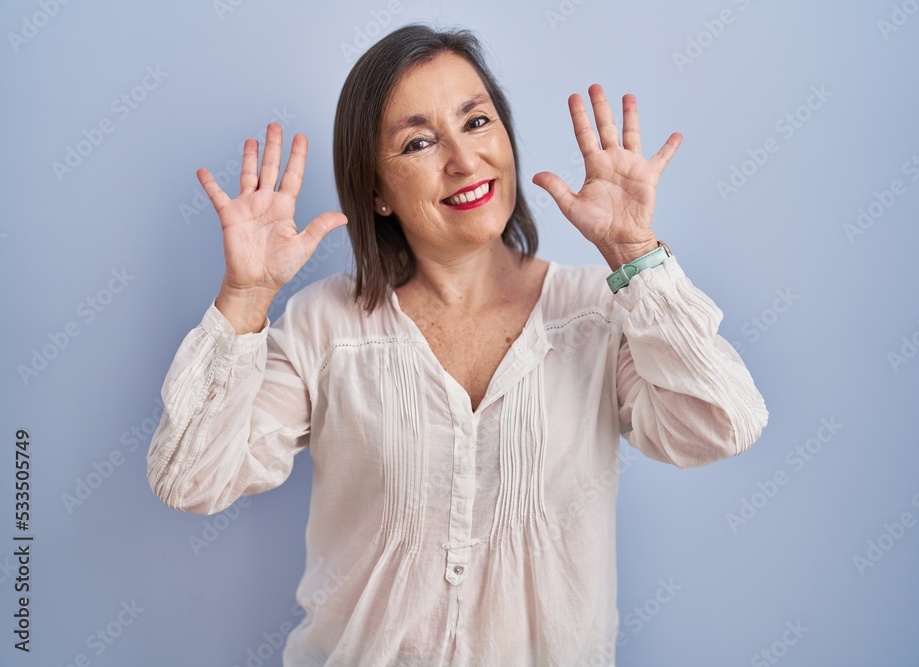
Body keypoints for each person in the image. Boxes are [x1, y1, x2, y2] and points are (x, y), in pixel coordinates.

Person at [146, 22, 768, 666]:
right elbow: (190, 480)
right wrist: (244, 297)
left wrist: (634, 255)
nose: (464, 162)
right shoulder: (323, 324)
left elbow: (723, 425)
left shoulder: (599, 312)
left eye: (476, 122)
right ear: (377, 192)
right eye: (419, 141)